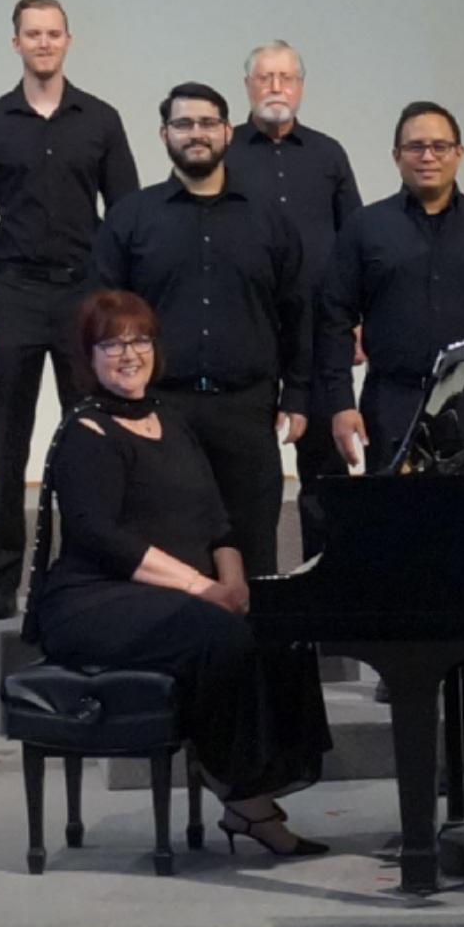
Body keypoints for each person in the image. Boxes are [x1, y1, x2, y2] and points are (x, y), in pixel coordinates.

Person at [30, 290, 330, 857]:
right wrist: (204, 589)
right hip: (94, 599)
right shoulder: (85, 432)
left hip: (173, 592)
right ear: (88, 356)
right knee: (214, 633)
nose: (128, 354)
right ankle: (239, 793)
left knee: (284, 622)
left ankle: (268, 779)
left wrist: (235, 582)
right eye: (111, 344)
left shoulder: (172, 422)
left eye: (139, 340)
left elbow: (219, 523)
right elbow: (106, 541)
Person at [0, 0, 140, 620]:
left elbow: (128, 215)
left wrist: (122, 305)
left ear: (67, 40)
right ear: (15, 44)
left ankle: (91, 565)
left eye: (53, 33)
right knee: (8, 440)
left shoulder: (101, 120)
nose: (43, 43)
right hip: (16, 290)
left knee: (91, 435)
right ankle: (3, 576)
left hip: (84, 293)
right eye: (31, 34)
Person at [91, 82, 311, 578]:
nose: (197, 134)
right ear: (164, 134)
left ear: (228, 131)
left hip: (248, 411)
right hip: (160, 413)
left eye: (208, 123)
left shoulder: (269, 218)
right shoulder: (131, 218)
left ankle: (253, 656)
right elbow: (102, 316)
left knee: (255, 555)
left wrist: (297, 394)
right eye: (184, 124)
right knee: (170, 551)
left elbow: (298, 310)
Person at [316, 103, 464, 474]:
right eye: (415, 147)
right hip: (391, 400)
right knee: (394, 521)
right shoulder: (365, 228)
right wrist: (341, 404)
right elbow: (333, 319)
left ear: (459, 154)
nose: (428, 157)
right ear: (396, 156)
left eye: (440, 147)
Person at [223, 42, 361, 480]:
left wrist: (358, 319)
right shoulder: (224, 152)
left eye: (286, 78)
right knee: (245, 464)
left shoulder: (328, 153)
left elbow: (355, 242)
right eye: (265, 78)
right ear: (247, 86)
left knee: (326, 467)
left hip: (322, 325)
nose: (276, 87)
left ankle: (328, 553)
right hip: (247, 324)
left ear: (300, 87)